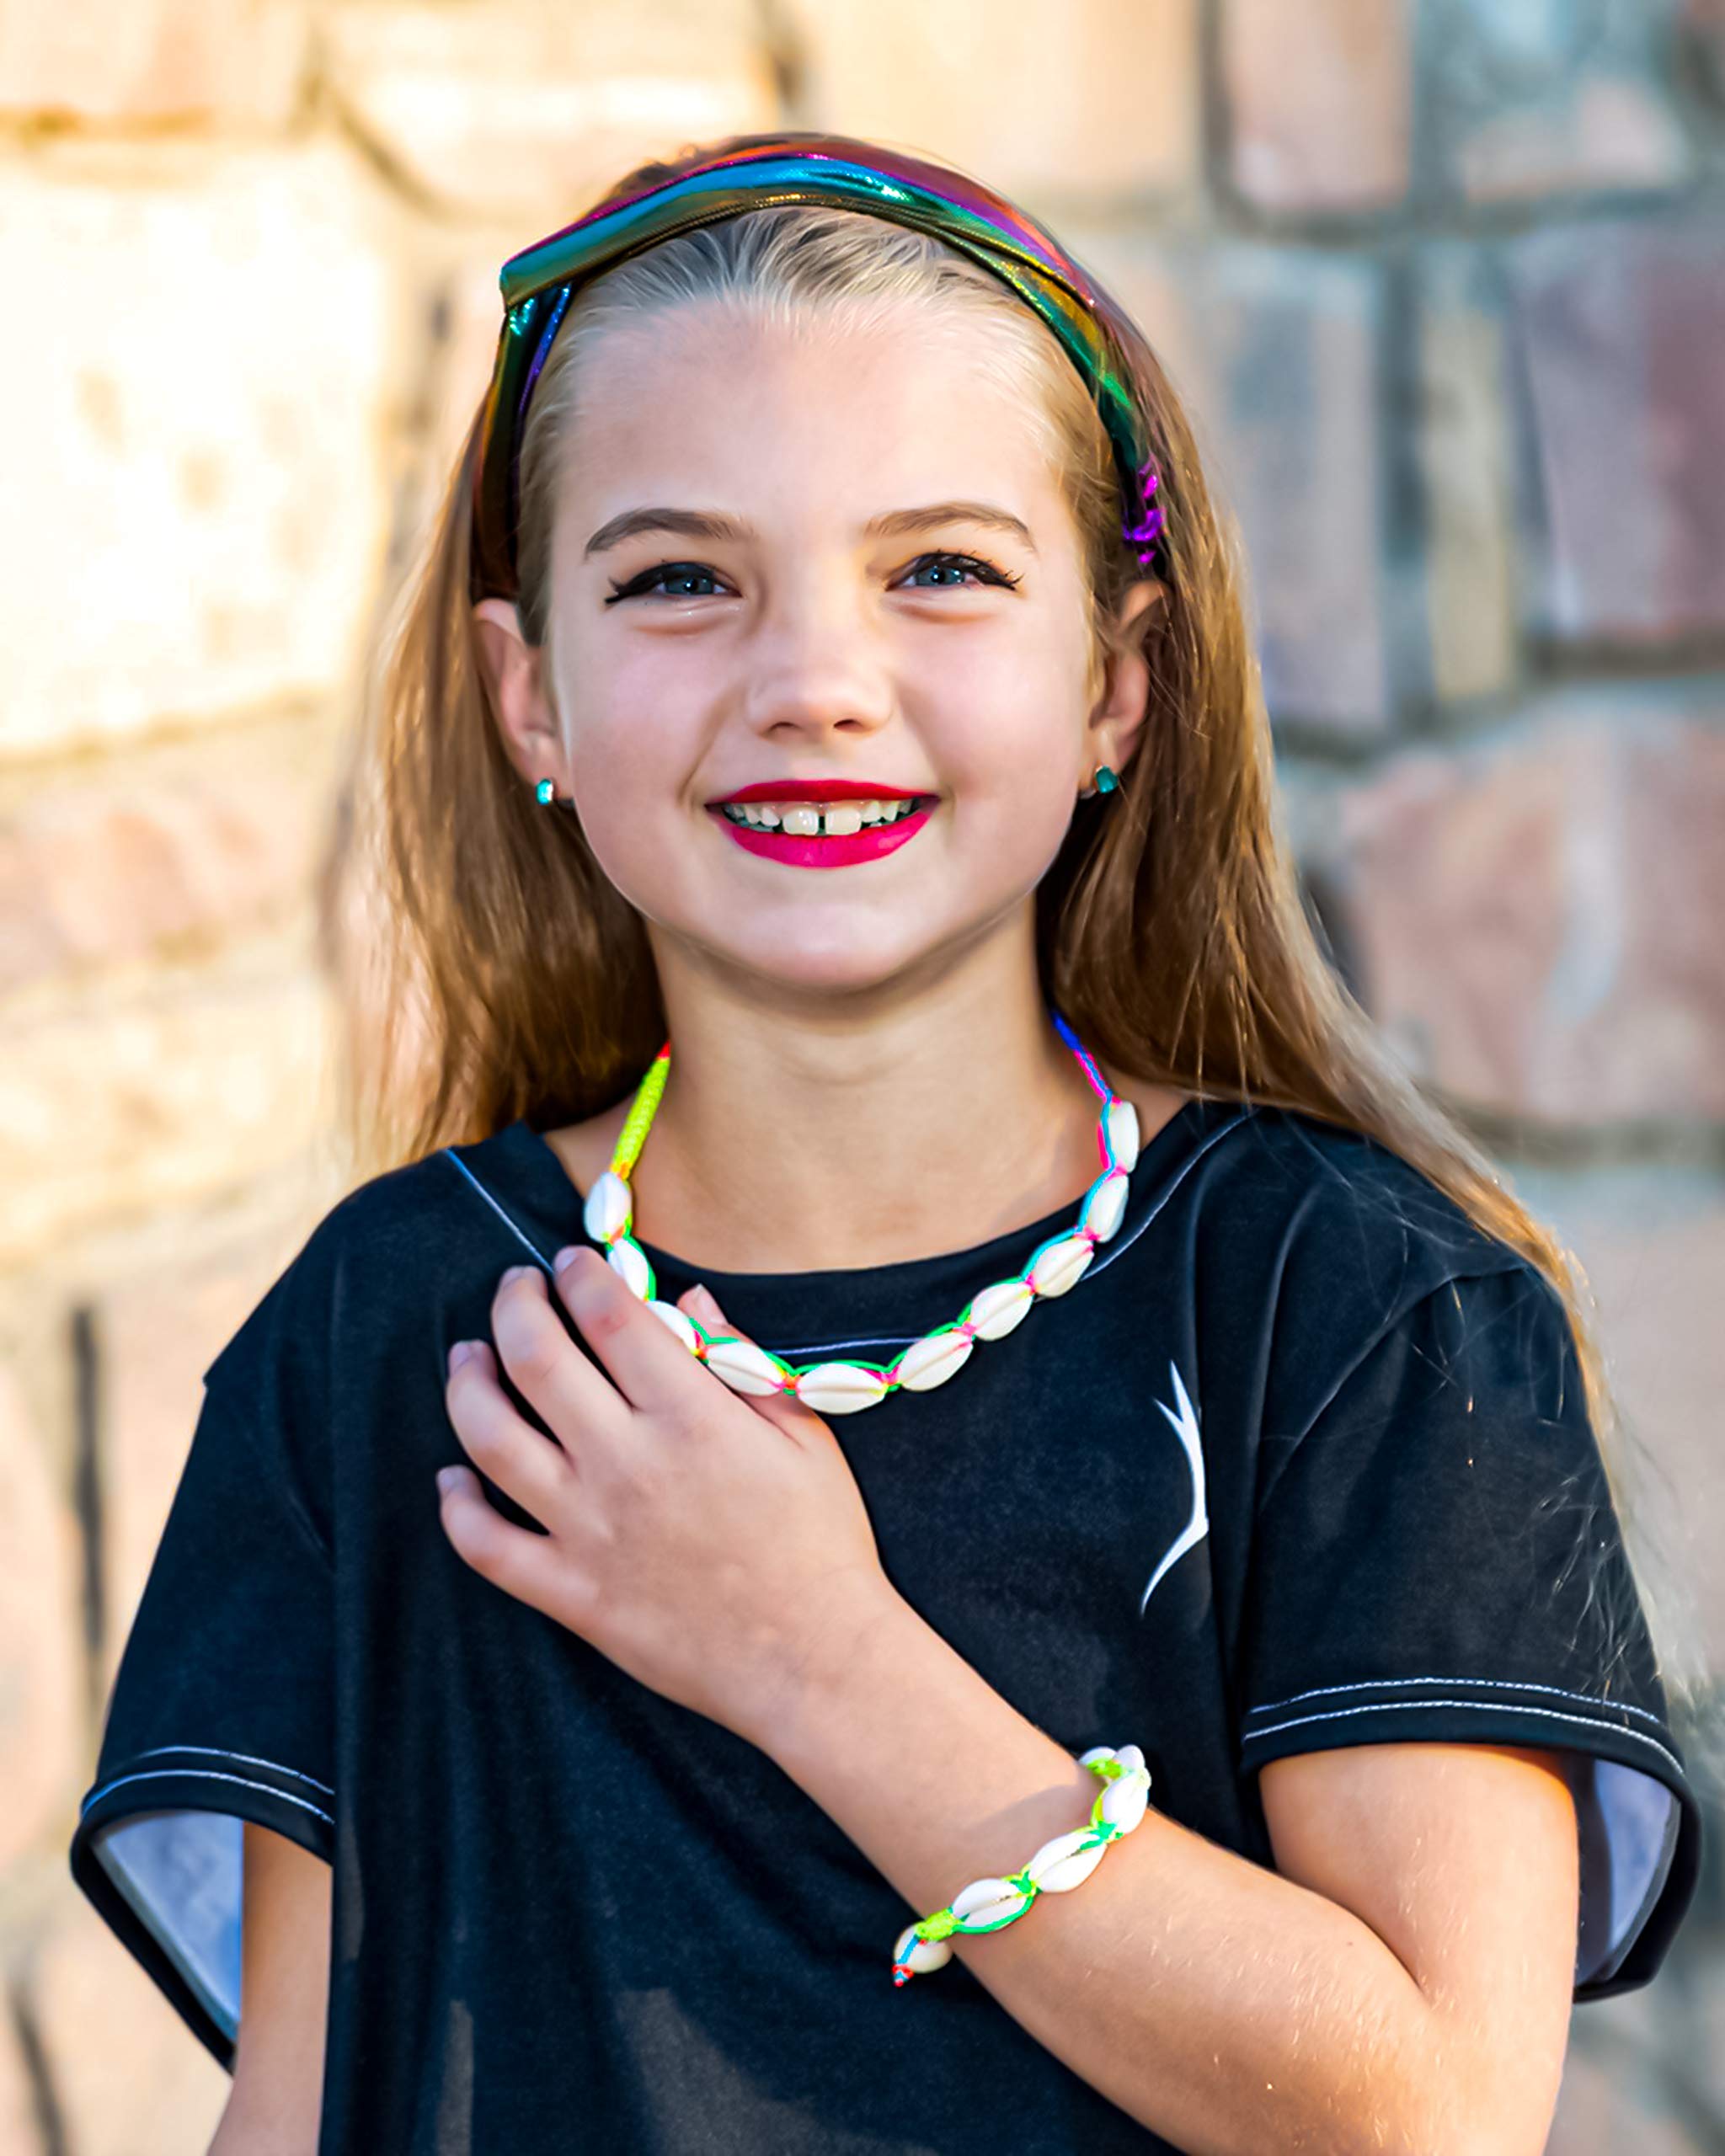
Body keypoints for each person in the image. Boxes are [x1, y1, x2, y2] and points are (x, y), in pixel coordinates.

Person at [70, 131, 1705, 2154]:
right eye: (679, 579)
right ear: (530, 700)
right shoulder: (387, 1334)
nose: (814, 681)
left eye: (939, 569)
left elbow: (1430, 2115)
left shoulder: (1357, 1308)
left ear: (1116, 681)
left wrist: (814, 1655)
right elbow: (312, 2100)